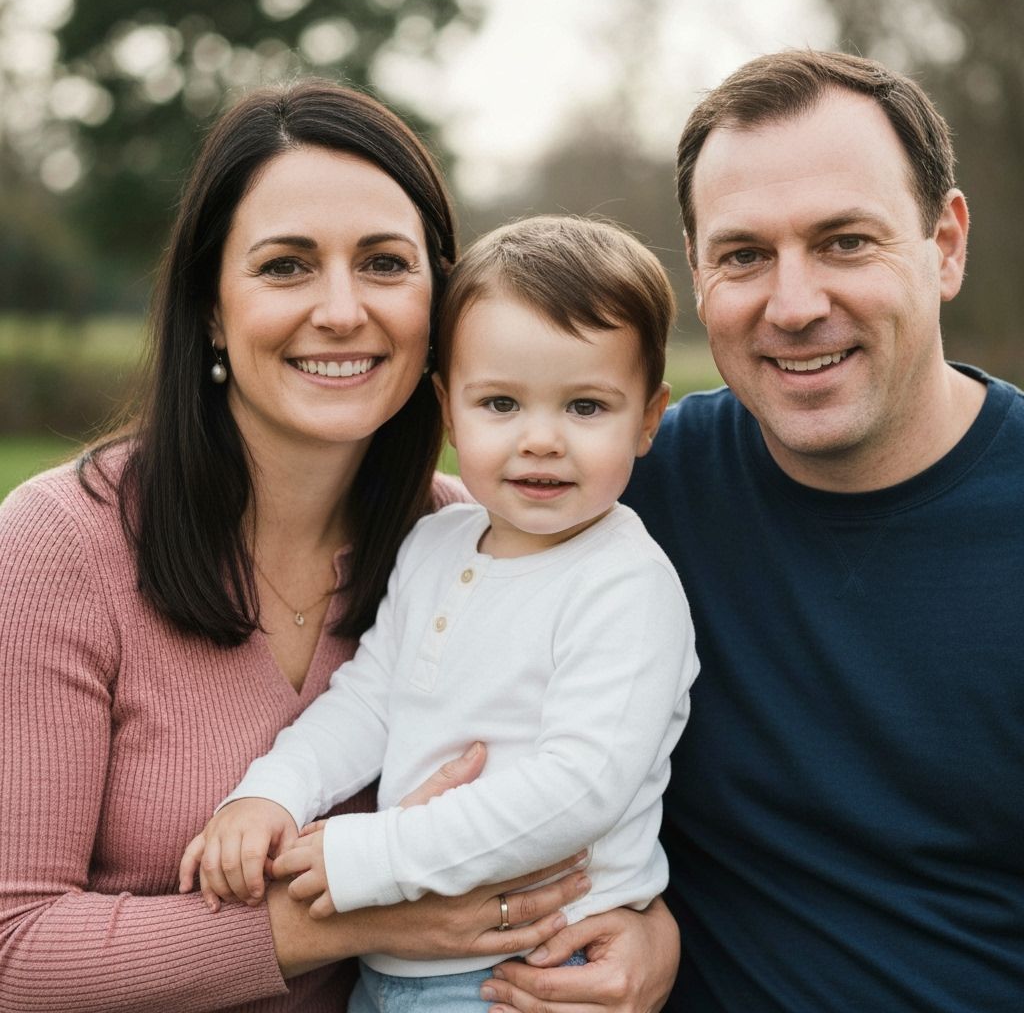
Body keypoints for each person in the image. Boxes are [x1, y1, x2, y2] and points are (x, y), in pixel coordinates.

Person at [0, 83, 653, 1012]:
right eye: (285, 266)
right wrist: (353, 917)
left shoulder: (484, 542)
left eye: (385, 264)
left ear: (441, 304)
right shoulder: (57, 548)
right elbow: (13, 956)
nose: (342, 310)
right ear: (213, 309)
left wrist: (647, 936)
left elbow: (605, 785)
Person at [178, 215, 699, 1012]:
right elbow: (369, 698)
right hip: (391, 970)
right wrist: (272, 794)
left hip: (528, 973)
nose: (541, 440)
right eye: (500, 403)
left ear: (650, 416)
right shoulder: (437, 541)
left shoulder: (626, 585)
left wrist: (375, 857)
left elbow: (579, 788)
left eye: (587, 407)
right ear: (449, 411)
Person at [609, 49, 1020, 1012]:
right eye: (744, 254)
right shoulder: (632, 495)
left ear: (947, 243)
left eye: (844, 241)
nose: (793, 306)